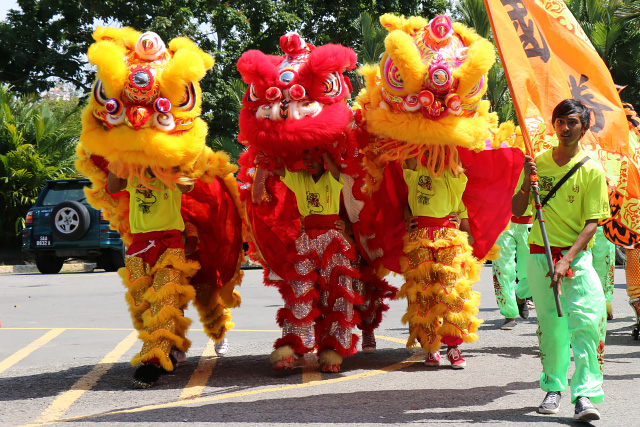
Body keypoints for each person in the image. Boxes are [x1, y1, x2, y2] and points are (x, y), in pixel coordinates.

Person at [512, 99, 609, 421]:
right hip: (540, 258)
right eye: (560, 122)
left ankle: (584, 394)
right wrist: (527, 179)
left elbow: (593, 221)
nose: (565, 128)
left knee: (587, 323)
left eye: (572, 122)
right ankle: (553, 386)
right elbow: (517, 209)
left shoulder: (591, 169)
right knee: (552, 330)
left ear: (584, 127)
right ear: (553, 125)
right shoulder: (538, 163)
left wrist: (567, 260)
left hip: (574, 261)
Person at [107, 168, 200, 388]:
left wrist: (170, 162)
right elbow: (112, 187)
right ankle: (167, 348)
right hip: (138, 246)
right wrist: (118, 158)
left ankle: (152, 361)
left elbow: (186, 185)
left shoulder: (174, 170)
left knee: (164, 302)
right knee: (142, 308)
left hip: (170, 245)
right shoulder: (131, 170)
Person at [269, 149, 360, 373]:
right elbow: (275, 167)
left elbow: (337, 170)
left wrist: (325, 151)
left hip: (334, 242)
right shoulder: (298, 178)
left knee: (338, 295)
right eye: (306, 156)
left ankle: (333, 350)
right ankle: (293, 348)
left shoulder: (333, 178)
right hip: (306, 241)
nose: (310, 161)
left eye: (316, 157)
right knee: (299, 293)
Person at [399, 154, 482, 369]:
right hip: (420, 241)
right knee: (423, 294)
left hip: (449, 240)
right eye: (430, 149)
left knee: (453, 294)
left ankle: (453, 348)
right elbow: (408, 149)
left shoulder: (452, 177)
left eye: (441, 150)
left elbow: (469, 235)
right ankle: (430, 347)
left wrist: (455, 226)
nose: (435, 154)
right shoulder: (416, 172)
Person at [492, 207, 536, 330]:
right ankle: (509, 315)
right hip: (501, 223)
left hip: (529, 222)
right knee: (503, 270)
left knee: (531, 269)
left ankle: (520, 295)